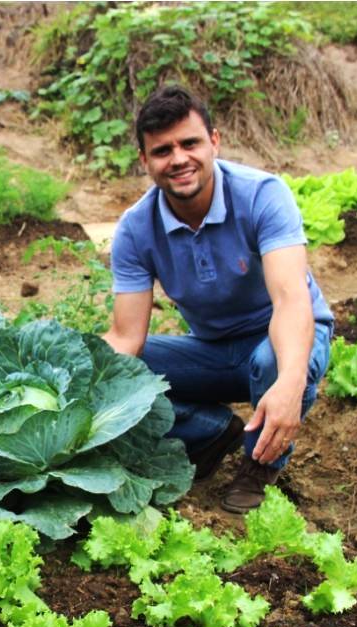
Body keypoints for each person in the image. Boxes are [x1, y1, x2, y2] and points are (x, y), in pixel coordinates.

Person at [101, 86, 333, 513]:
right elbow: (126, 338)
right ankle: (210, 431)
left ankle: (261, 466)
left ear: (214, 142)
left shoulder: (262, 195)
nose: (178, 159)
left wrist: (290, 383)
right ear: (145, 161)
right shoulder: (136, 229)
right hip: (215, 350)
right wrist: (78, 391)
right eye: (162, 150)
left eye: (190, 143)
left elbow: (291, 301)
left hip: (285, 337)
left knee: (273, 363)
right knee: (123, 370)